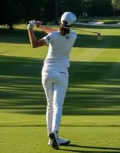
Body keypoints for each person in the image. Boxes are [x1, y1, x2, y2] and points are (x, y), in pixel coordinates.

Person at [26, 12, 77, 149]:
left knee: (49, 105)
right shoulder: (73, 36)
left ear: (60, 21)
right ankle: (54, 132)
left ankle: (52, 137)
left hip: (47, 72)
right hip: (61, 73)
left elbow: (35, 44)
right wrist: (40, 26)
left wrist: (31, 29)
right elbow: (58, 32)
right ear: (72, 24)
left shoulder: (53, 36)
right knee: (57, 106)